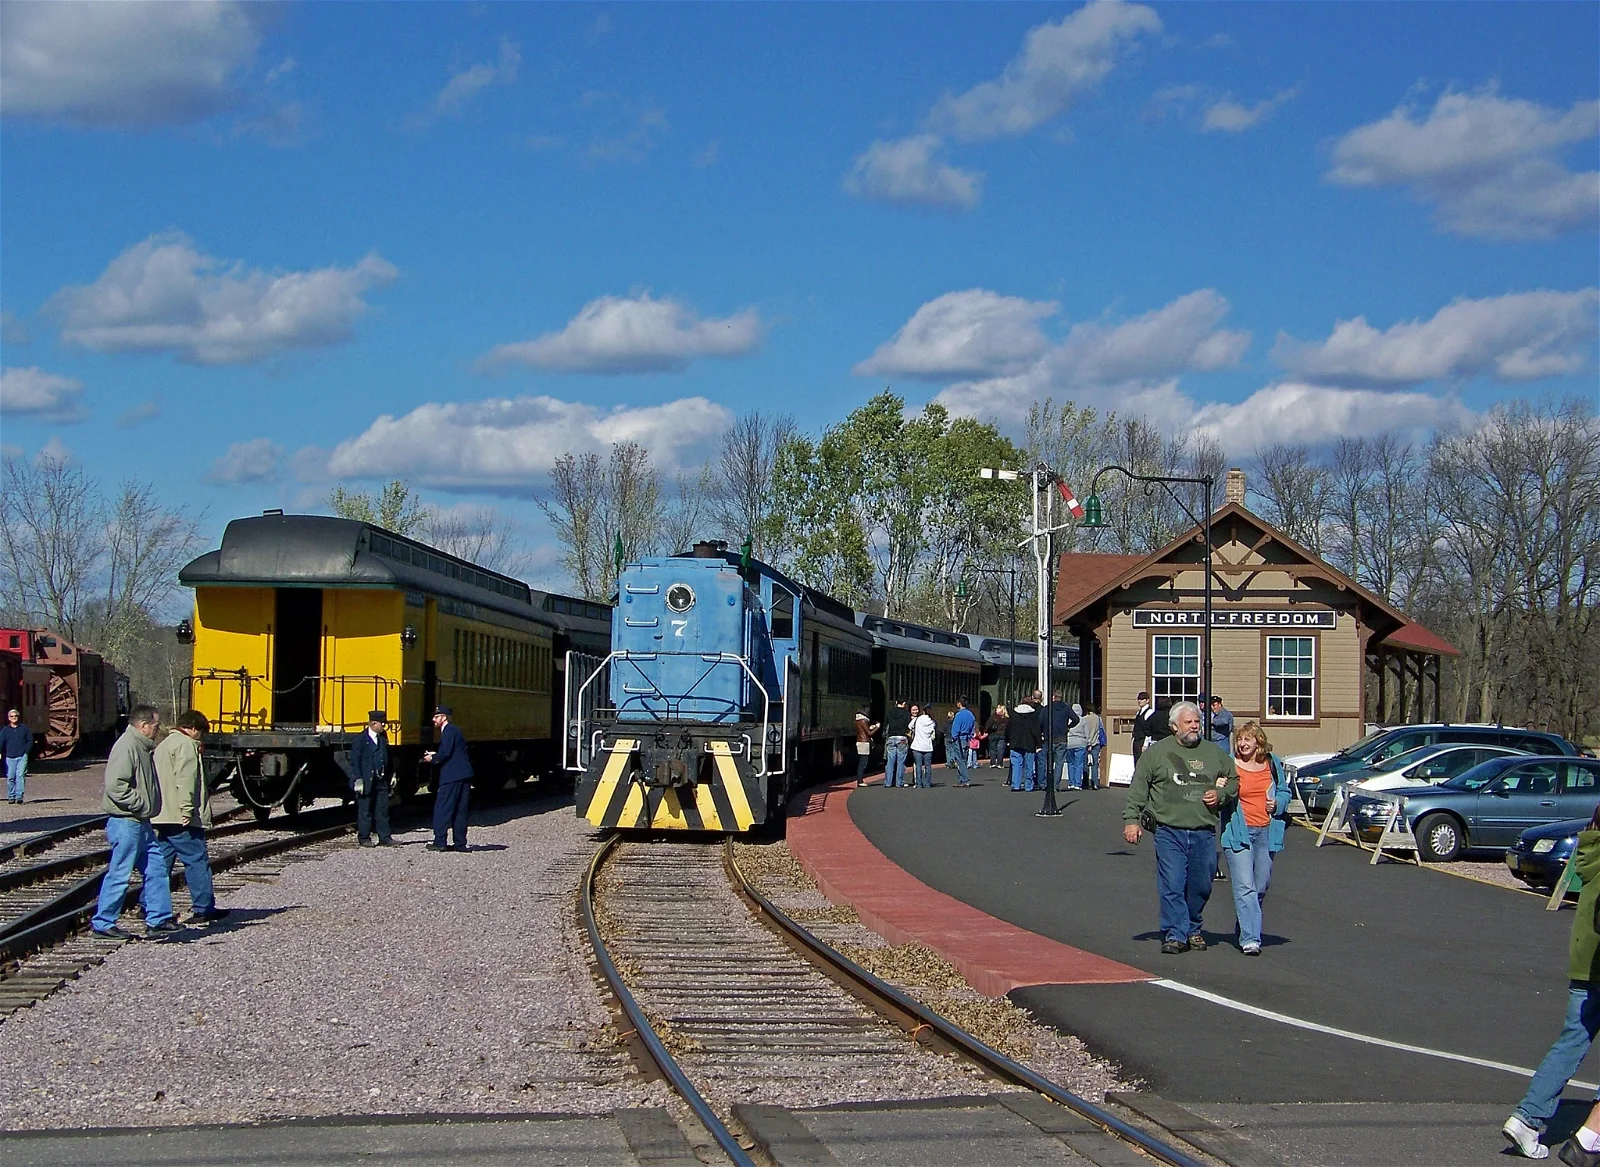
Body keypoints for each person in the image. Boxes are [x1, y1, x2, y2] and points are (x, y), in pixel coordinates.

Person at [1503, 806, 1600, 1160]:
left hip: (1585, 962)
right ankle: (1591, 1135)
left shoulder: (1589, 850)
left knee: (1571, 1041)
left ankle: (1528, 1117)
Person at [1122, 701, 1239, 955]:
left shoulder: (1214, 752)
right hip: (1169, 830)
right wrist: (1132, 820)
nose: (1194, 726)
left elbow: (1234, 780)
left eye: (1197, 721)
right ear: (1174, 726)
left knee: (1201, 885)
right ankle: (1176, 933)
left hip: (1203, 831)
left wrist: (1220, 794)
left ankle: (1193, 928)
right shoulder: (1156, 753)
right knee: (1172, 884)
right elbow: (1139, 788)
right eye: (1189, 722)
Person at [91, 705, 172, 940]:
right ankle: (103, 922)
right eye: (156, 725)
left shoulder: (141, 747)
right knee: (120, 873)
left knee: (157, 869)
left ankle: (158, 919)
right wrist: (142, 804)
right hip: (127, 822)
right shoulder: (127, 746)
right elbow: (116, 786)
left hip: (140, 823)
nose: (158, 729)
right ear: (143, 725)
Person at [150, 710, 228, 925]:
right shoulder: (185, 745)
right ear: (193, 728)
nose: (200, 738)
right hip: (180, 816)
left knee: (161, 861)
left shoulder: (164, 744)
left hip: (162, 814)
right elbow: (186, 781)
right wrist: (187, 810)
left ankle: (147, 904)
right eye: (201, 733)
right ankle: (203, 908)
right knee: (196, 859)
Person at [1221, 721, 1290, 956]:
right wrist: (1219, 787)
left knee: (1260, 886)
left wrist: (1278, 803)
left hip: (1266, 832)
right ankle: (1251, 939)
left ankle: (1245, 924)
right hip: (1238, 832)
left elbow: (1284, 791)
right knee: (1245, 887)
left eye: (1247, 739)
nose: (1242, 744)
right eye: (1239, 740)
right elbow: (1220, 792)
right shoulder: (1229, 764)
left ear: (1258, 741)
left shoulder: (1272, 762)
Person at [422, 706, 472, 852]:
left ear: (444, 717)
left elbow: (446, 753)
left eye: (436, 717)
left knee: (442, 808)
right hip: (463, 774)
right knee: (460, 810)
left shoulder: (448, 731)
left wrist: (432, 758)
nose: (433, 719)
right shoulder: (455, 731)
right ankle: (460, 843)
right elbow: (453, 751)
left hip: (452, 776)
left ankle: (440, 842)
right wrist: (436, 753)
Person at [350, 710, 394, 846]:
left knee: (382, 810)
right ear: (374, 723)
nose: (384, 726)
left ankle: (385, 837)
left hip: (381, 780)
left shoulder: (383, 738)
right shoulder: (360, 740)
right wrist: (358, 779)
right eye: (382, 723)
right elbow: (355, 761)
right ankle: (364, 837)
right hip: (366, 780)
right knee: (365, 811)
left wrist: (392, 774)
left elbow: (388, 757)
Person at [1008, 696, 1041, 792]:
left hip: (1015, 742)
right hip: (1029, 743)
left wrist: (1008, 740)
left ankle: (1016, 785)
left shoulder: (1014, 714)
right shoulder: (1033, 716)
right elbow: (1036, 731)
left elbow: (1008, 729)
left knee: (1016, 764)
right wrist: (1039, 742)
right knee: (1029, 766)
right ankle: (1028, 785)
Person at [3, 707, 33, 804]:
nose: (14, 718)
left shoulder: (24, 729)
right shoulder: (5, 730)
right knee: (10, 777)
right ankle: (11, 796)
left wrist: (26, 751)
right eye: (12, 716)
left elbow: (30, 740)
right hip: (10, 757)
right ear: (9, 718)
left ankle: (19, 796)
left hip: (22, 756)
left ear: (18, 717)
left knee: (20, 775)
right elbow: (1, 742)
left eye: (15, 716)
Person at [947, 696, 976, 787]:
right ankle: (961, 779)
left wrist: (954, 738)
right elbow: (973, 727)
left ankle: (965, 779)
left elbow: (955, 729)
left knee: (960, 760)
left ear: (959, 704)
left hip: (959, 739)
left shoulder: (959, 715)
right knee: (964, 759)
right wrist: (970, 736)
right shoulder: (971, 715)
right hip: (966, 738)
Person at [882, 698, 911, 788]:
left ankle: (888, 782)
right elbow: (909, 726)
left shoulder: (889, 712)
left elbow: (885, 724)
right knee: (901, 762)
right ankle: (899, 782)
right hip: (902, 737)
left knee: (890, 761)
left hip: (891, 737)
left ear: (896, 702)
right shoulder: (906, 713)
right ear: (904, 703)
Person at [1062, 699, 1089, 790]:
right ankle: (1077, 784)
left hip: (1069, 743)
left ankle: (1071, 783)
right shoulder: (1083, 720)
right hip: (1081, 743)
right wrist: (1088, 742)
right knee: (1079, 764)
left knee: (1070, 763)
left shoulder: (1068, 720)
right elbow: (1087, 733)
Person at [909, 703, 936, 788]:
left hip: (917, 746)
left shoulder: (917, 719)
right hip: (928, 747)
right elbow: (932, 734)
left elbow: (909, 726)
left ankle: (918, 783)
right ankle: (927, 783)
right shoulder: (932, 721)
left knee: (918, 766)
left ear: (923, 711)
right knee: (928, 766)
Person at [1080, 704, 1105, 790]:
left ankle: (1085, 783)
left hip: (1086, 743)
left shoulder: (1084, 719)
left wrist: (1088, 743)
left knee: (1085, 764)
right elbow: (1101, 730)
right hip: (1096, 742)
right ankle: (1095, 783)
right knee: (1095, 765)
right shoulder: (1098, 718)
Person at [853, 710, 879, 787]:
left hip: (860, 742)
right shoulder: (863, 721)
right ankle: (860, 781)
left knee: (862, 761)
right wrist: (877, 727)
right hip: (864, 742)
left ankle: (860, 780)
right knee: (863, 763)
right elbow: (869, 734)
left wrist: (871, 727)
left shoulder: (857, 721)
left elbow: (864, 731)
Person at [1131, 692, 1158, 762]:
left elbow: (1149, 731)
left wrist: (1145, 744)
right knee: (1136, 761)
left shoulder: (1149, 712)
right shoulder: (1139, 712)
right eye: (1139, 699)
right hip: (1136, 740)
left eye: (1142, 699)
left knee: (1142, 761)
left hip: (1143, 741)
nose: (1139, 701)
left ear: (1147, 700)